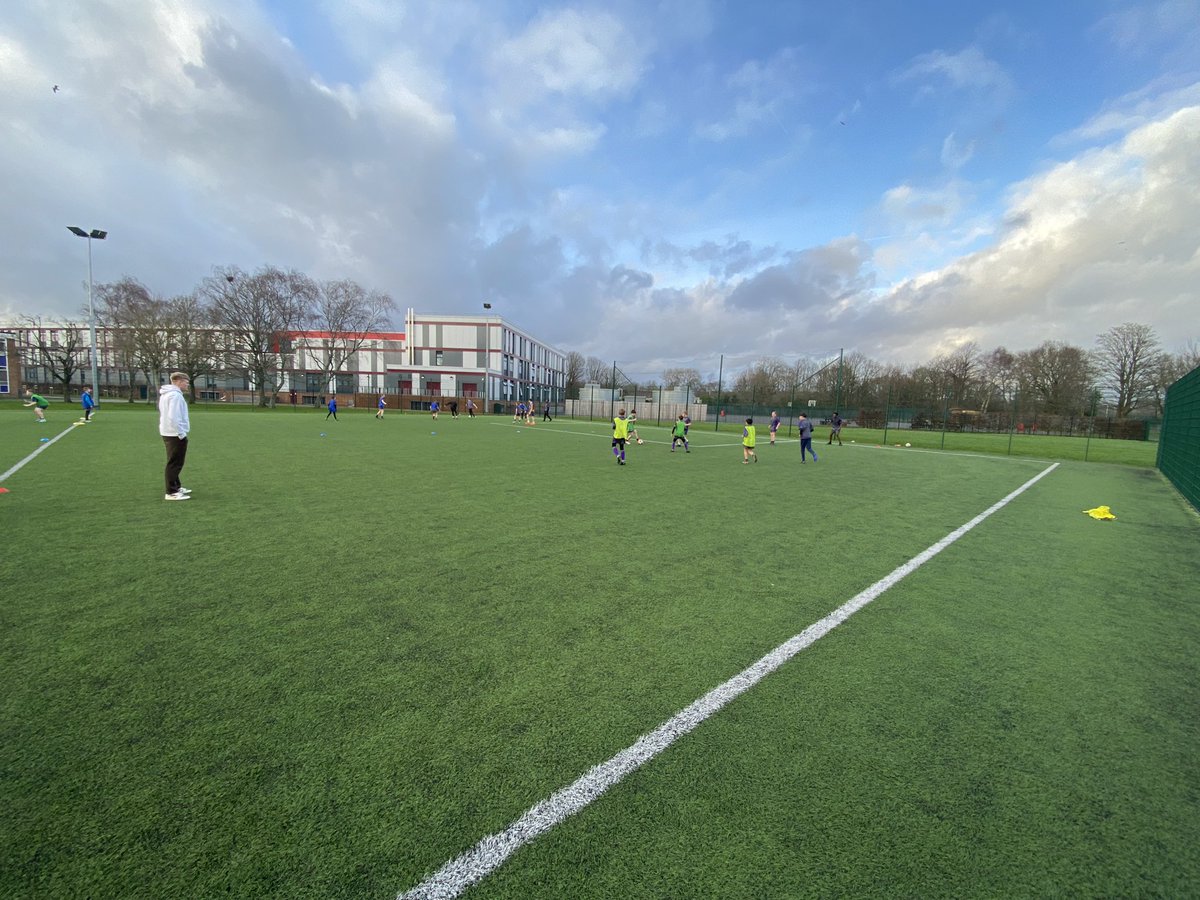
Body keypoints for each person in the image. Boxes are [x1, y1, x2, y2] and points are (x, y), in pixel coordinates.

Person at [159, 372, 192, 501]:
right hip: (174, 434)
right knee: (175, 462)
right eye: (186, 382)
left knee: (175, 461)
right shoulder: (175, 396)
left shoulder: (167, 394)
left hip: (168, 431)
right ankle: (171, 492)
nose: (187, 385)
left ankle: (176, 487)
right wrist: (181, 433)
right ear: (178, 381)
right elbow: (173, 416)